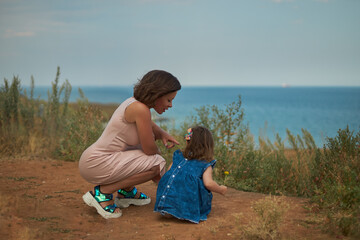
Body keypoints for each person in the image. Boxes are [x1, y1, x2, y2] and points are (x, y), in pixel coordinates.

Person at [79, 70, 181, 219]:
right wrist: (159, 161)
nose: (170, 105)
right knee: (156, 163)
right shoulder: (141, 109)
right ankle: (102, 193)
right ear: (157, 95)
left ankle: (126, 192)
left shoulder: (134, 103)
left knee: (150, 159)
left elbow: (149, 124)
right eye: (169, 100)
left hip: (97, 160)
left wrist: (162, 134)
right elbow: (149, 150)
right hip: (97, 163)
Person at [154, 126, 227, 223]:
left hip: (166, 200)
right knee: (199, 185)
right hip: (188, 205)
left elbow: (169, 173)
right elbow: (208, 183)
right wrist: (221, 189)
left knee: (175, 180)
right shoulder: (205, 164)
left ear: (188, 142)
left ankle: (169, 209)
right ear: (208, 146)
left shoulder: (178, 156)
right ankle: (184, 211)